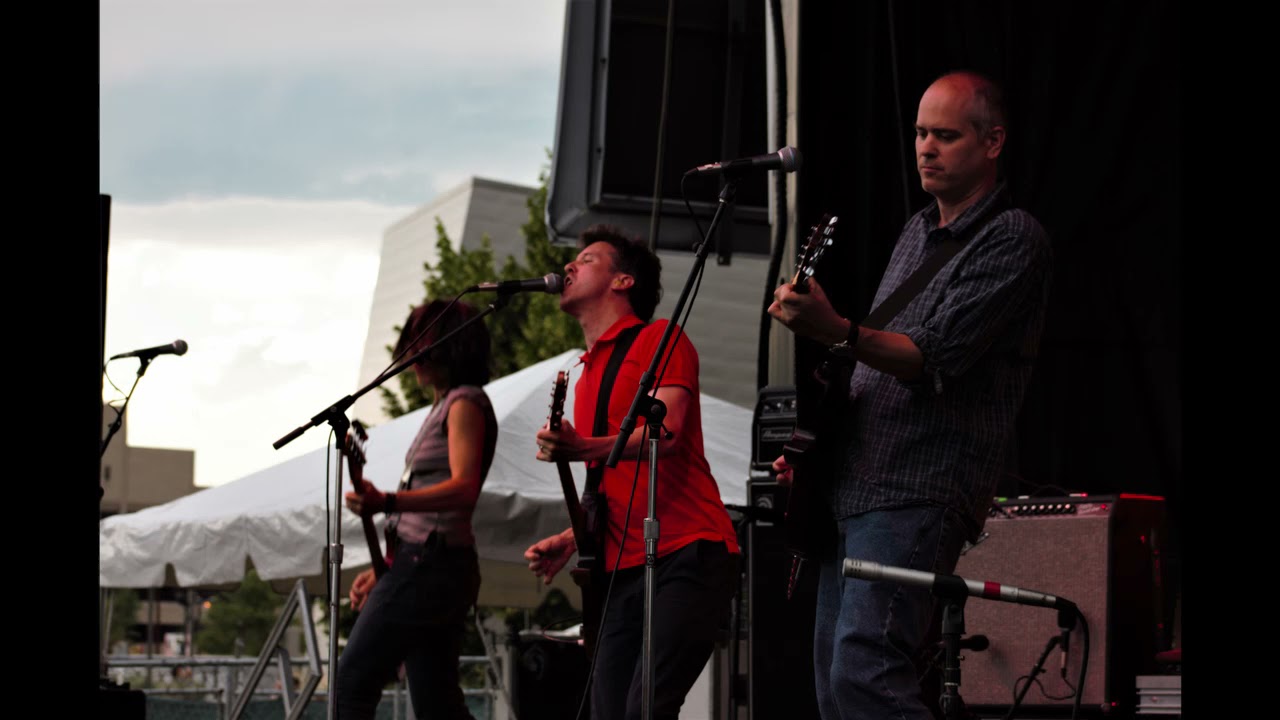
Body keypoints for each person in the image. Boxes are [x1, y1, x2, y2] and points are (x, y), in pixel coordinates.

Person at [767, 70, 1053, 720]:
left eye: (946, 135)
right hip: (856, 485)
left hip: (918, 487)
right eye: (921, 132)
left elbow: (933, 356)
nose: (926, 147)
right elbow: (870, 364)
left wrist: (835, 329)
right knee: (836, 689)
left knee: (868, 676)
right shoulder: (916, 232)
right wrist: (817, 455)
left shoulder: (1013, 238)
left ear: (993, 142)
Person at [523, 225, 742, 720]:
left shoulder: (660, 338)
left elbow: (669, 434)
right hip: (623, 565)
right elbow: (614, 482)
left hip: (689, 550)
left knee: (646, 708)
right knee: (606, 710)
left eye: (587, 259)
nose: (569, 267)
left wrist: (585, 446)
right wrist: (569, 534)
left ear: (623, 281)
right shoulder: (585, 373)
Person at [335, 299, 499, 720]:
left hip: (430, 565)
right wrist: (385, 568)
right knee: (437, 702)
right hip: (431, 563)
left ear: (450, 348)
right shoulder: (446, 404)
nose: (413, 358)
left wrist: (387, 501)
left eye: (422, 346)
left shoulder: (464, 403)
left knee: (351, 685)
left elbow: (463, 489)